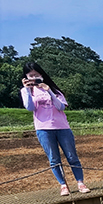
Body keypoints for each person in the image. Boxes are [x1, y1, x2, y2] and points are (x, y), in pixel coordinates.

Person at [20, 63, 90, 196]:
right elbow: (30, 108)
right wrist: (28, 90)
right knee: (54, 159)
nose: (34, 78)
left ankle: (80, 182)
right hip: (43, 129)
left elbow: (61, 107)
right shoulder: (26, 91)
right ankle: (63, 185)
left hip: (62, 127)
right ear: (26, 77)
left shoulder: (55, 90)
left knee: (72, 156)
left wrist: (49, 91)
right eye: (30, 76)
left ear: (42, 75)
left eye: (36, 75)